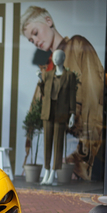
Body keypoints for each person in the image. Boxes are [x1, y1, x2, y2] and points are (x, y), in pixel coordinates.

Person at [21, 6, 104, 181]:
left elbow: (93, 102)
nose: (35, 41)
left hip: (71, 143)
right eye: (30, 40)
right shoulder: (46, 68)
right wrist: (30, 160)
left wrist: (80, 160)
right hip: (46, 143)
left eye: (35, 33)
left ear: (48, 21)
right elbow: (35, 116)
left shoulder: (78, 46)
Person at [37, 50, 76, 185]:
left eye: (58, 56)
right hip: (48, 113)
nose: (55, 59)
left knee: (58, 144)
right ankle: (46, 170)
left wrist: (72, 114)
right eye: (54, 56)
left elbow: (72, 96)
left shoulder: (69, 76)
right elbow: (44, 94)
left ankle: (54, 171)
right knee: (47, 143)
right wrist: (41, 81)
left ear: (63, 58)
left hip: (61, 114)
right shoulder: (47, 75)